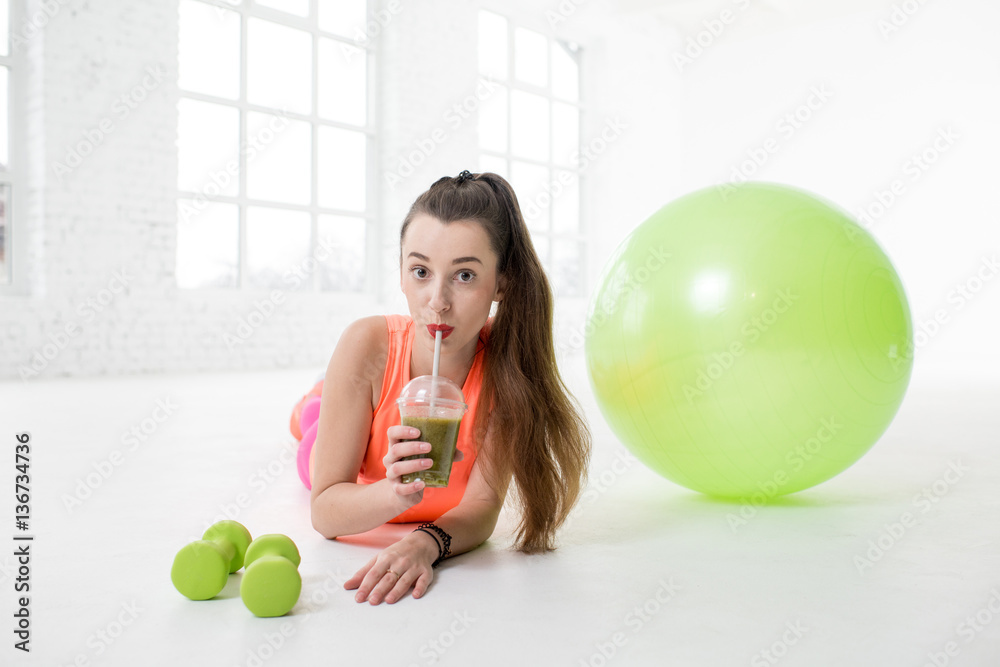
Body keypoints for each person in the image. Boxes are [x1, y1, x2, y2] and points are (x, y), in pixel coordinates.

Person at [298, 170, 591, 605]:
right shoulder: (365, 344)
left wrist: (424, 542)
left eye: (465, 276)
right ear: (400, 273)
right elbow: (326, 514)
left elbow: (481, 507)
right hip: (347, 450)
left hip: (372, 413)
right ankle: (315, 401)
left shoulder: (508, 368)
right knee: (308, 427)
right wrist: (392, 491)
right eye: (420, 271)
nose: (437, 300)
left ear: (502, 283)